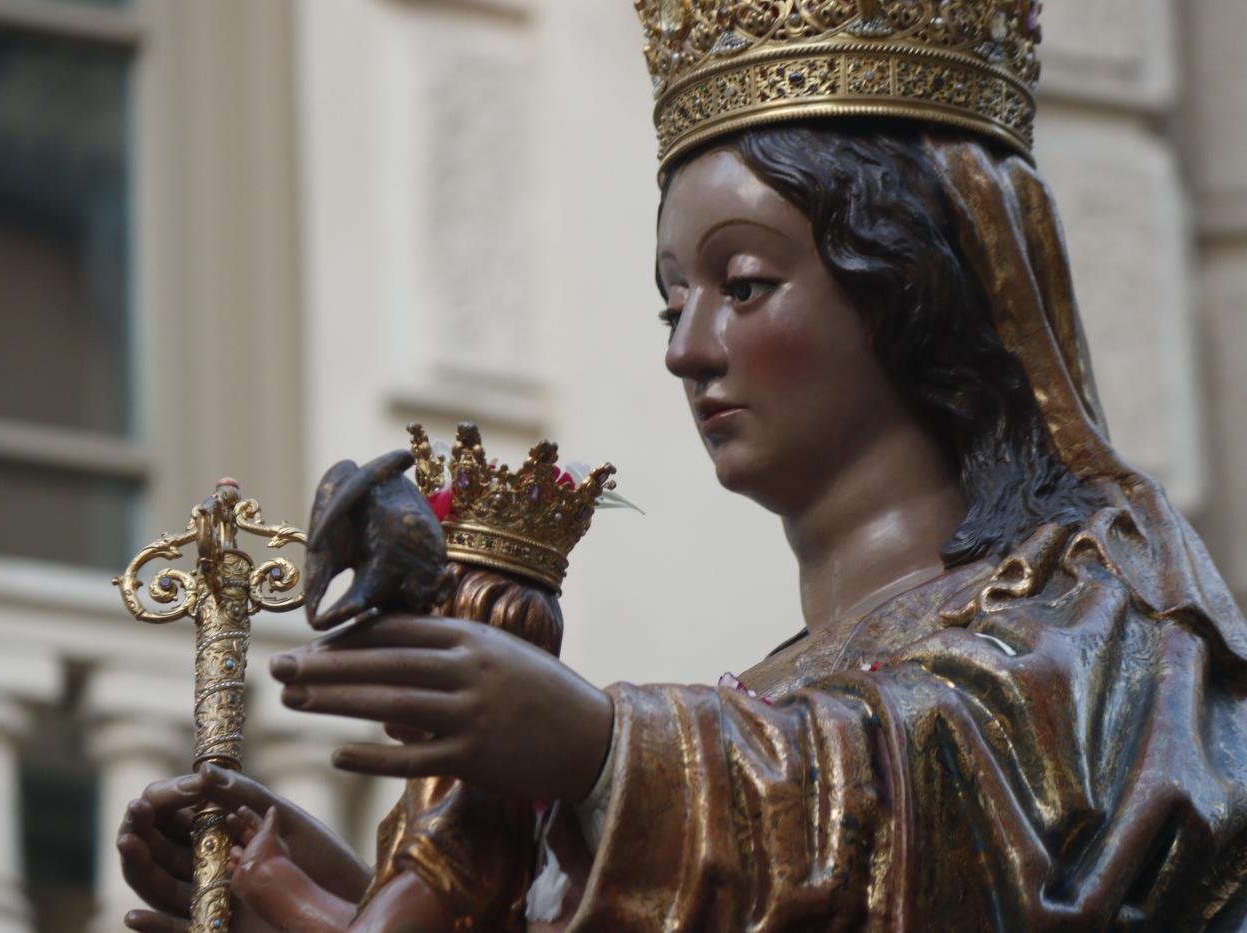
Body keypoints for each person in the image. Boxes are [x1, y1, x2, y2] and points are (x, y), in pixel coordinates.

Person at [117, 2, 1247, 929]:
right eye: (672, 303)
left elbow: (986, 818)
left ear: (912, 287)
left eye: (743, 285)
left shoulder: (1106, 592)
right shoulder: (766, 697)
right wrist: (327, 892)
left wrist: (608, 749)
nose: (686, 349)